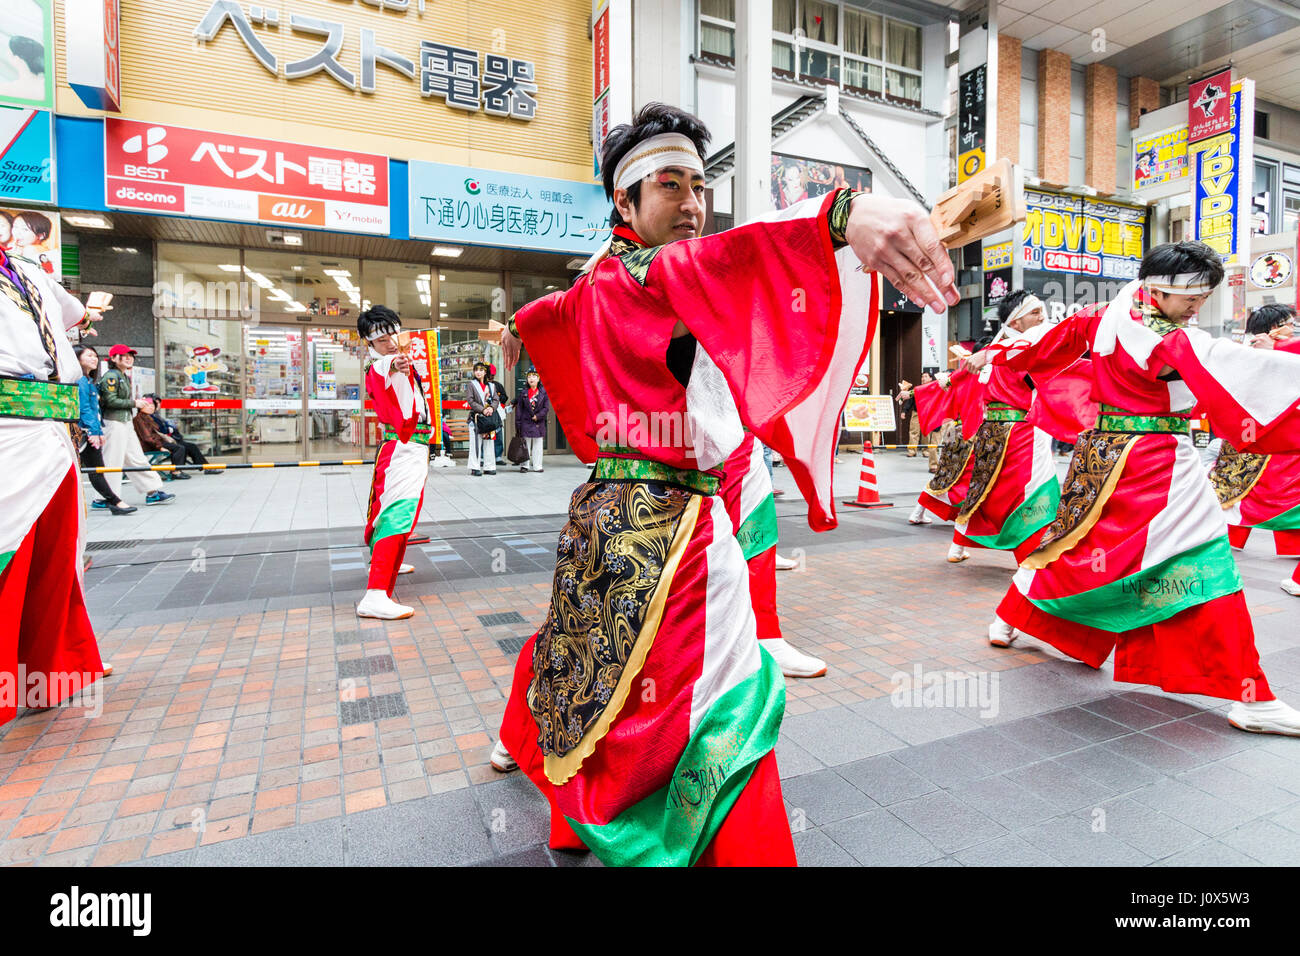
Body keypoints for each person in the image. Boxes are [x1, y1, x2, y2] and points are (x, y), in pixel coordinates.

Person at [488, 101, 957, 865]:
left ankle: (565, 806)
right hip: (677, 529)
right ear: (624, 200)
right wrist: (845, 211)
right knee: (728, 697)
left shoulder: (597, 280)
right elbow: (744, 258)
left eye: (700, 185)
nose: (693, 203)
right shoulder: (657, 273)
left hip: (605, 513)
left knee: (582, 657)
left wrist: (518, 327)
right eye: (669, 185)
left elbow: (549, 315)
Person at [974, 241, 1300, 736]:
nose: (1197, 308)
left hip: (1101, 454)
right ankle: (1247, 694)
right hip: (1153, 459)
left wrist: (999, 355)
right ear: (1158, 289)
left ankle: (1012, 617)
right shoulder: (1161, 333)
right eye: (1191, 298)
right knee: (1203, 558)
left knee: (1078, 549)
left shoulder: (1104, 313)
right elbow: (1225, 364)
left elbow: (1044, 348)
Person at [0, 239, 111, 725]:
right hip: (8, 427)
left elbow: (72, 315)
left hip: (51, 429)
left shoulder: (27, 267)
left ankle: (51, 670)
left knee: (56, 551)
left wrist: (88, 315)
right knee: (11, 550)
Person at [937, 291, 1063, 564]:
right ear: (1016, 323)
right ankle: (1029, 556)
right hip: (1022, 430)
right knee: (1034, 488)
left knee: (981, 488)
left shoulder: (993, 352)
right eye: (1035, 312)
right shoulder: (1022, 350)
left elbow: (957, 385)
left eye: (1042, 310)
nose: (1043, 317)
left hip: (990, 430)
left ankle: (957, 547)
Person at [1209, 304, 1300, 597]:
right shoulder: (1251, 351)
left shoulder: (1276, 346)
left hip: (1268, 437)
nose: (1293, 327)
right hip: (1259, 436)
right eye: (1288, 323)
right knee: (1237, 494)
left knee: (1245, 494)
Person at [356, 306, 429, 621]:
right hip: (402, 447)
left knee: (403, 512)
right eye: (381, 339)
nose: (389, 343)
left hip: (411, 447)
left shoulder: (398, 361)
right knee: (397, 513)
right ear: (369, 343)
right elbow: (388, 364)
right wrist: (395, 360)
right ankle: (375, 594)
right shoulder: (381, 364)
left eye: (392, 335)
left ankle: (388, 566)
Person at [98, 345, 174, 506]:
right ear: (113, 358)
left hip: (124, 422)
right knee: (113, 461)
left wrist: (134, 404)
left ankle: (152, 491)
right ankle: (108, 497)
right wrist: (135, 403)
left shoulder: (122, 376)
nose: (128, 358)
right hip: (114, 422)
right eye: (123, 355)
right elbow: (109, 401)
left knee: (136, 457)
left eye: (130, 356)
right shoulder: (111, 377)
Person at [74, 344, 136, 515]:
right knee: (97, 469)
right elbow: (84, 408)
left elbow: (95, 410)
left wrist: (98, 431)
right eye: (89, 356)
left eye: (95, 356)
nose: (94, 359)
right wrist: (94, 431)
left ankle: (113, 501)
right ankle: (114, 502)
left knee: (97, 469)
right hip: (85, 431)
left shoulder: (88, 380)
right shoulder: (81, 380)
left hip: (91, 430)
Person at [144, 393, 216, 473]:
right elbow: (161, 430)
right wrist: (169, 429)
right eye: (155, 403)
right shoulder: (149, 417)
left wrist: (170, 428)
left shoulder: (155, 415)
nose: (157, 405)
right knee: (182, 447)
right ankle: (177, 471)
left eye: (158, 403)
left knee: (191, 446)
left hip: (165, 440)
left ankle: (205, 467)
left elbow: (165, 428)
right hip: (160, 442)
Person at [465, 361, 503, 476]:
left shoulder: (491, 386)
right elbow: (470, 400)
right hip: (477, 418)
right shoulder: (471, 384)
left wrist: (491, 408)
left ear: (485, 372)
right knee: (476, 443)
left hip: (489, 418)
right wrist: (483, 409)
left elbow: (496, 399)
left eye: (481, 370)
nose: (478, 372)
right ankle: (474, 467)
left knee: (489, 443)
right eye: (476, 370)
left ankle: (489, 466)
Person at [514, 367, 549, 473]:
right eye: (529, 376)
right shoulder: (523, 393)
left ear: (538, 379)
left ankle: (537, 465)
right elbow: (519, 409)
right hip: (526, 422)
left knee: (538, 445)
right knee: (525, 445)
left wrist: (538, 416)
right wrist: (518, 423)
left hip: (538, 422)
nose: (531, 379)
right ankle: (525, 465)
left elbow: (546, 408)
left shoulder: (543, 392)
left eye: (534, 376)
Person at [896, 378, 918, 456]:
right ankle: (912, 451)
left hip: (928, 413)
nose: (924, 379)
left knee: (927, 433)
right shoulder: (917, 389)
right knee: (913, 432)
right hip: (917, 412)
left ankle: (927, 451)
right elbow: (910, 401)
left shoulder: (932, 388)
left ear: (930, 378)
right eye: (922, 377)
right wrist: (904, 411)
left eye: (926, 376)